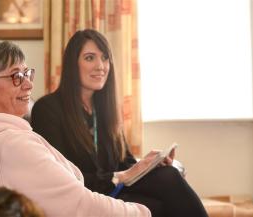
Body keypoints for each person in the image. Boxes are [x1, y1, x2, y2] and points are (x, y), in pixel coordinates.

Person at [0, 41, 150, 217]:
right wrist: (145, 213)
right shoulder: (10, 145)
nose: (28, 84)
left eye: (27, 74)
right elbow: (80, 207)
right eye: (16, 76)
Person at [31, 29, 208, 217]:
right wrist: (121, 176)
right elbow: (62, 178)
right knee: (163, 194)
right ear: (72, 65)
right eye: (90, 58)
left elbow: (126, 162)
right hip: (85, 197)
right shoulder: (48, 109)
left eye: (105, 58)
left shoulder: (104, 108)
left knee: (167, 176)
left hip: (114, 191)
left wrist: (149, 164)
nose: (101, 66)